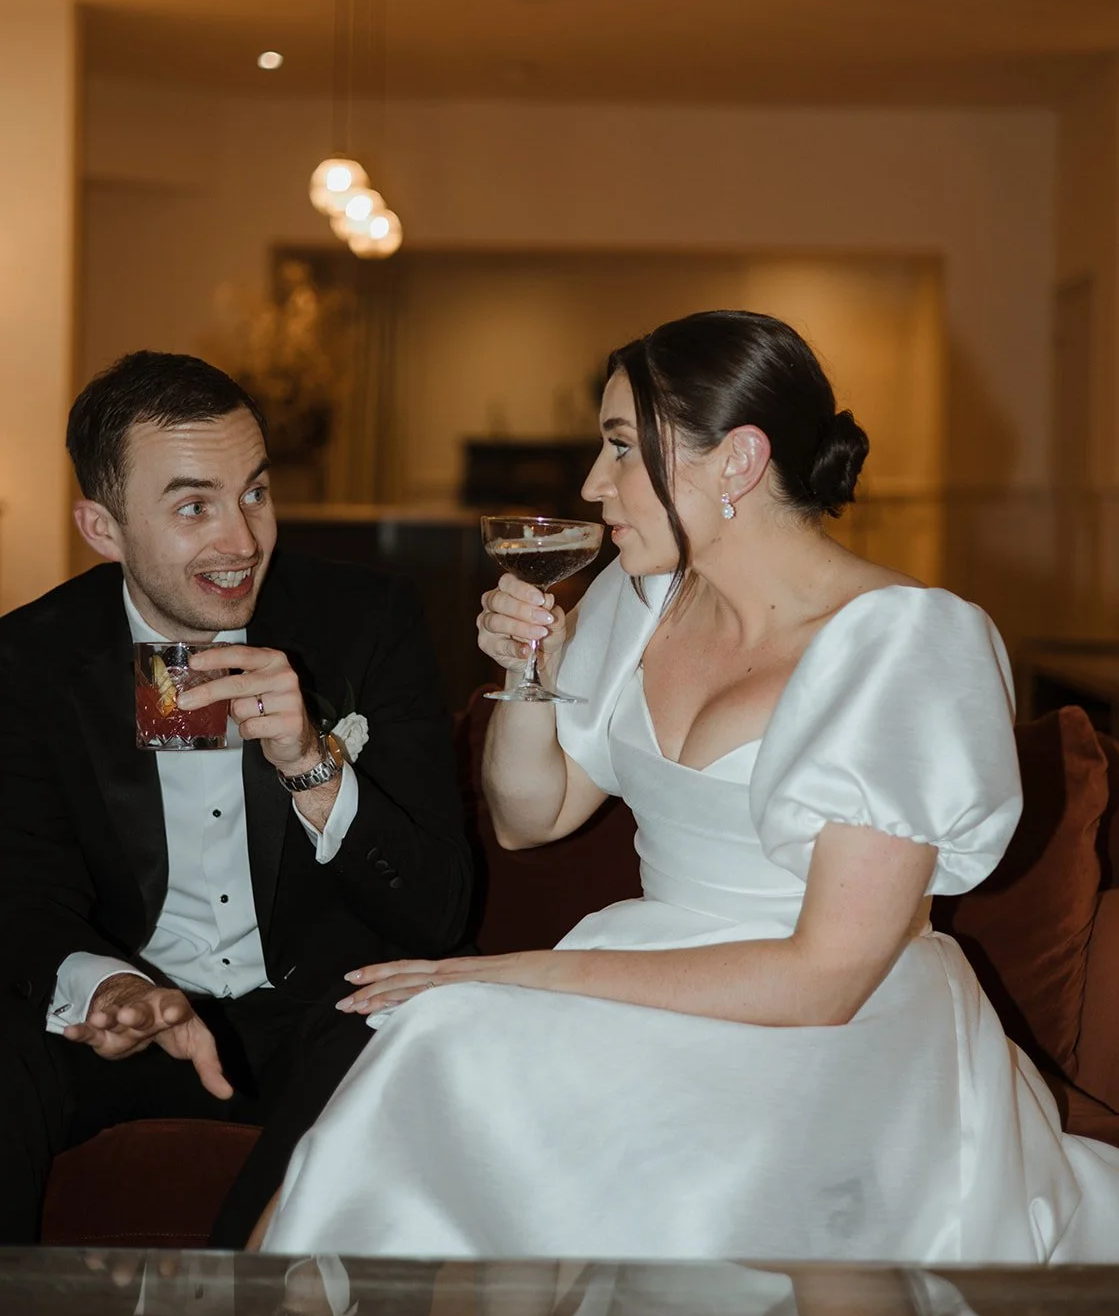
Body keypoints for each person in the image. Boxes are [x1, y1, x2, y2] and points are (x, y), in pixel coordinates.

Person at [258, 310, 1119, 1261]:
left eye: (622, 447)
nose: (592, 484)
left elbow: (824, 979)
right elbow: (528, 818)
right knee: (434, 1046)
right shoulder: (636, 601)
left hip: (838, 1024)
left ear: (737, 462)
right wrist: (528, 674)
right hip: (645, 967)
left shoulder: (904, 644)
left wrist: (515, 972)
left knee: (469, 1036)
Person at [0, 350, 471, 1245]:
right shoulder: (29, 662)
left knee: (403, 1039)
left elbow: (439, 909)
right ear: (102, 528)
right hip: (142, 1019)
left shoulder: (366, 622)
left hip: (321, 1020)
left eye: (253, 492)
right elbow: (23, 895)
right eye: (192, 506)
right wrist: (109, 989)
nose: (242, 539)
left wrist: (310, 765)